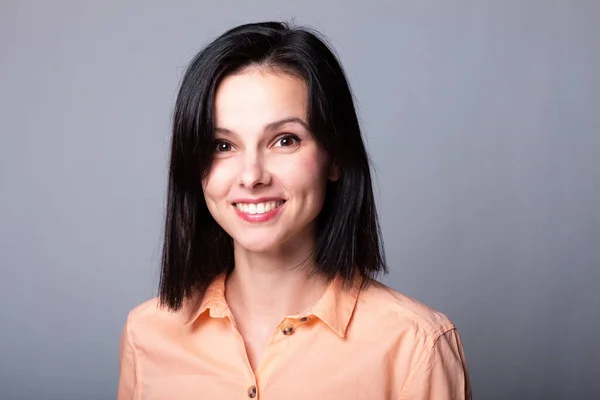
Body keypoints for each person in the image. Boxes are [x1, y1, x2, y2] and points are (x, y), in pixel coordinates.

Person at [117, 21, 471, 399]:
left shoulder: (415, 346)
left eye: (285, 140)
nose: (251, 176)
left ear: (334, 157)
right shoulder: (147, 334)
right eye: (222, 146)